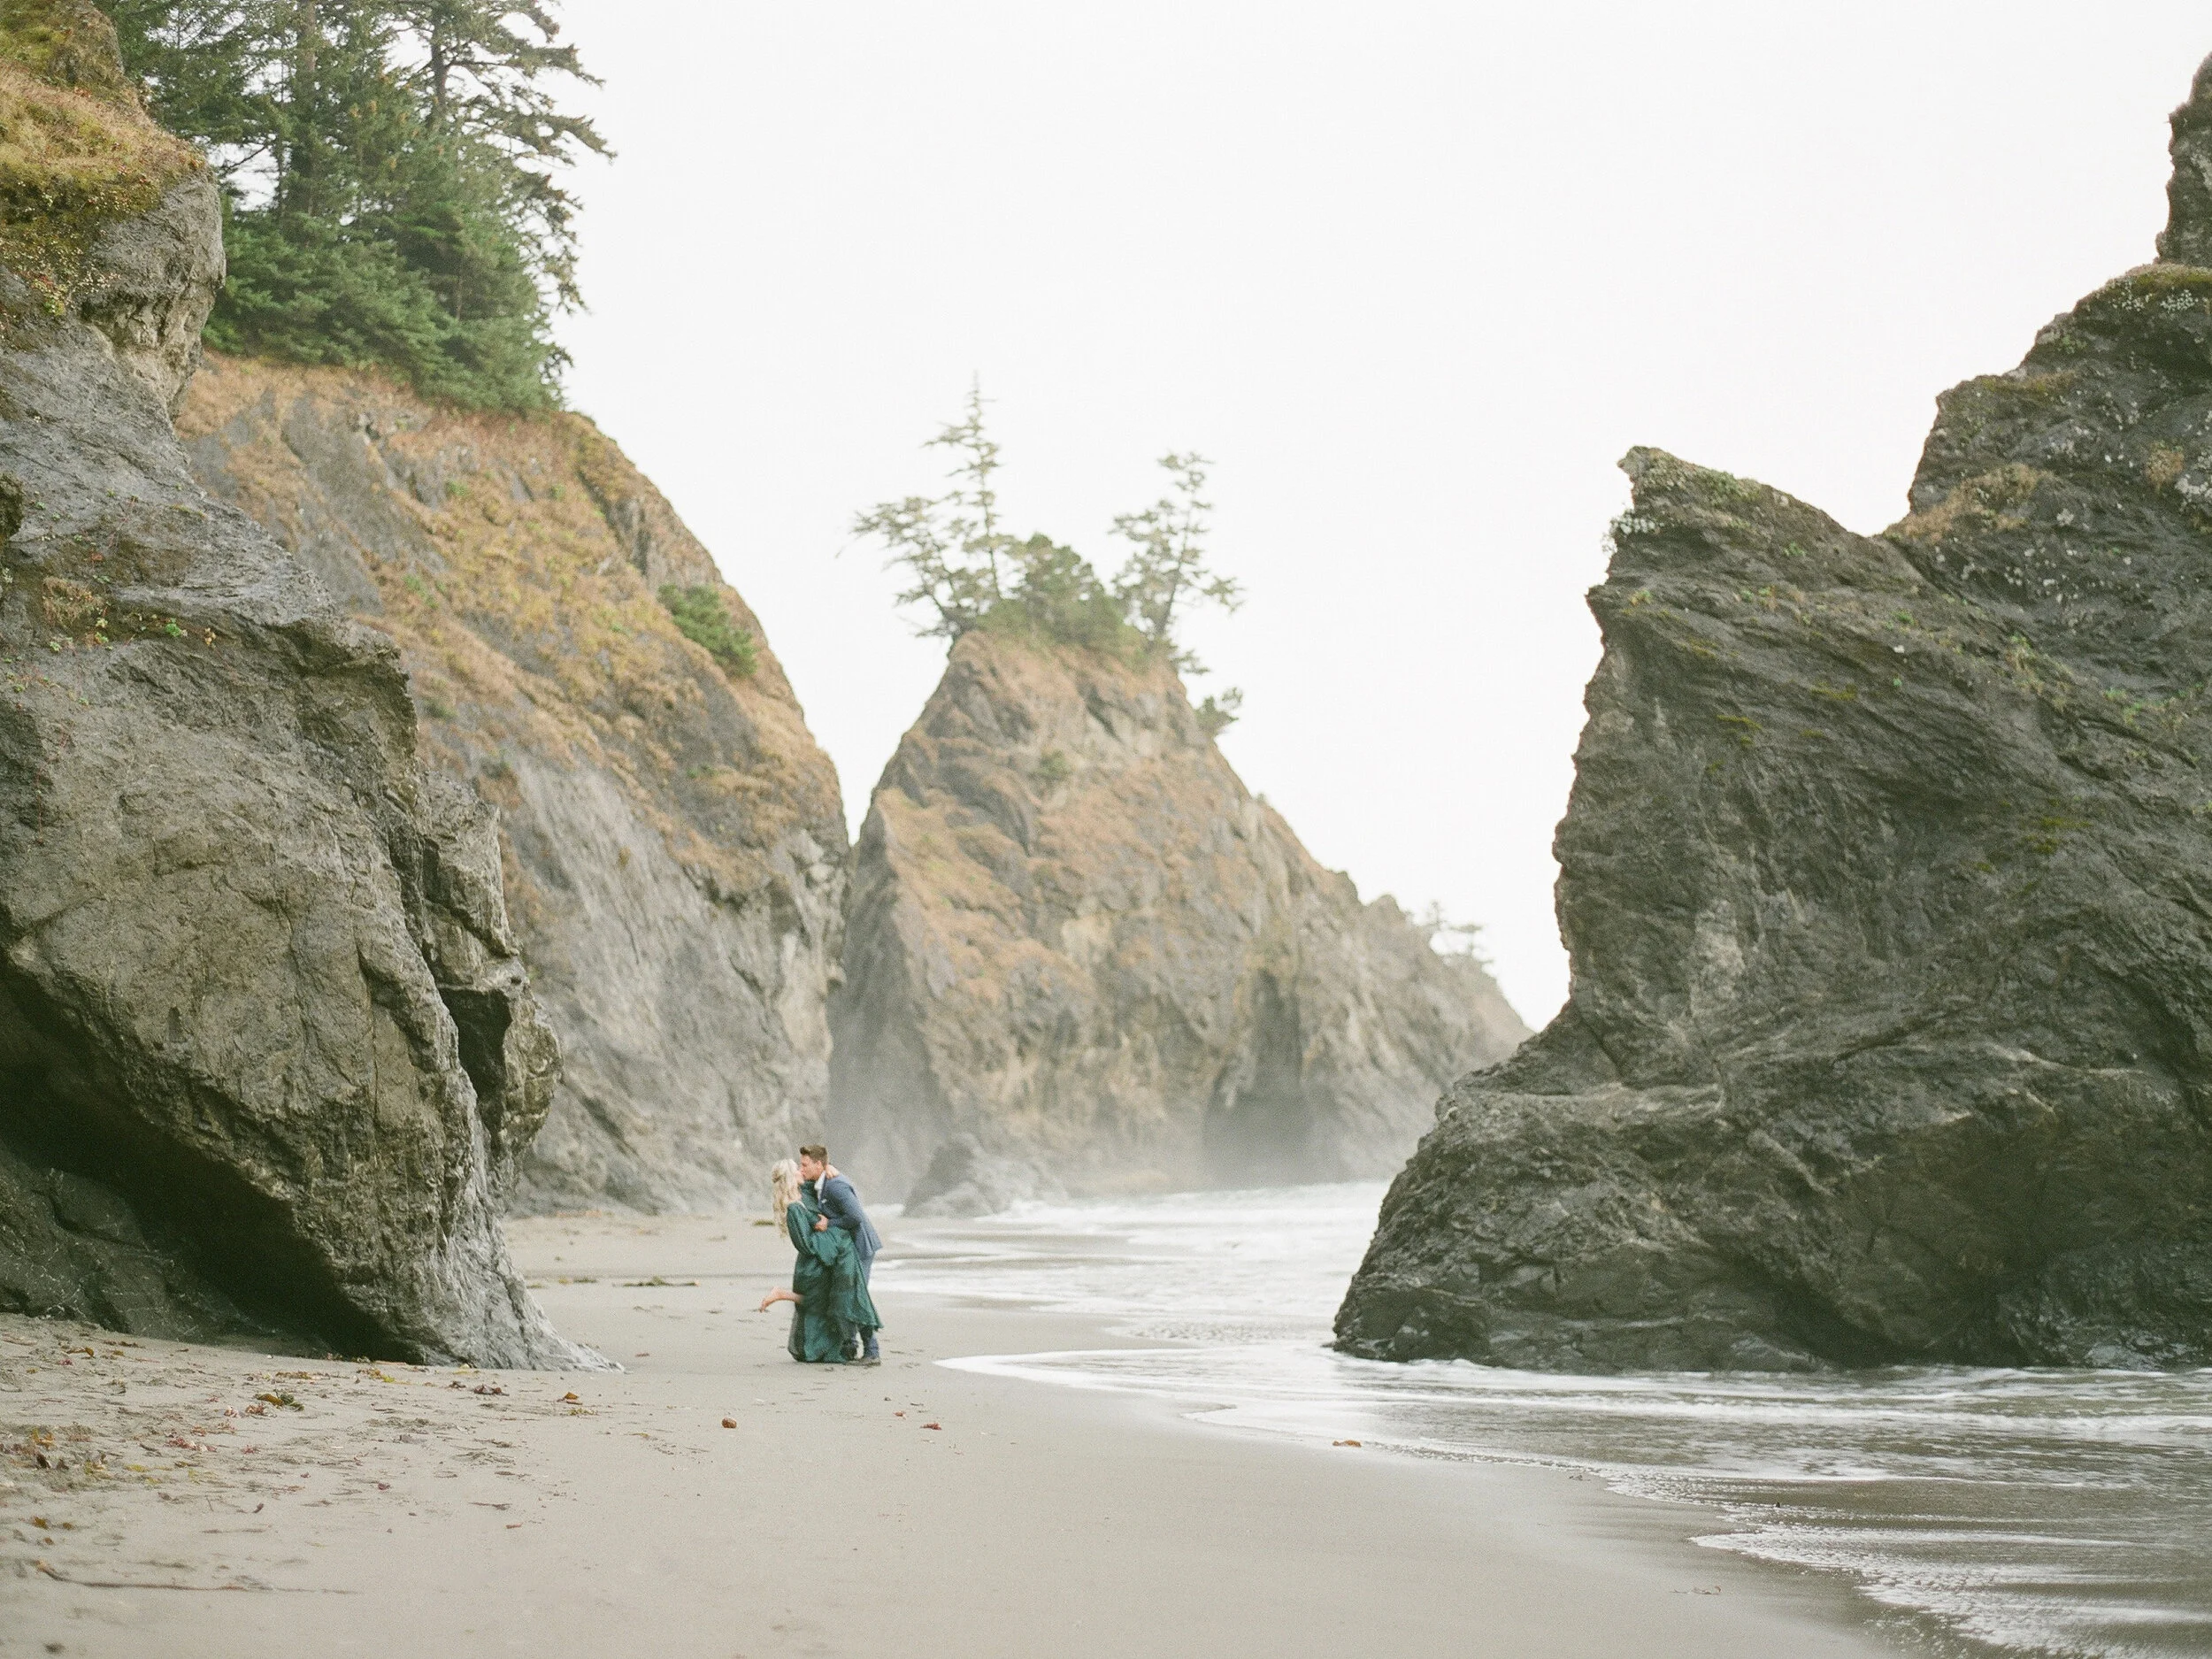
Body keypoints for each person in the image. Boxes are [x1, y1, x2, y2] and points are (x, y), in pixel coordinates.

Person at [756, 1158, 880, 1364]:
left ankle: (851, 1346)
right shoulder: (795, 1208)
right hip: (819, 1260)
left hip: (829, 1256)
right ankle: (861, 1347)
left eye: (803, 1166)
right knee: (832, 1300)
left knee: (835, 1300)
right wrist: (832, 1242)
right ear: (790, 1177)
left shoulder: (807, 1191)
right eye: (798, 1168)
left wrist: (830, 1169)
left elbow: (826, 1188)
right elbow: (805, 1244)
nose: (802, 1171)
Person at [799, 1143, 882, 1363]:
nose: (802, 1169)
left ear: (819, 1164)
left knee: (856, 1295)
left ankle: (872, 1351)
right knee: (842, 1294)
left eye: (805, 1165)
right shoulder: (820, 1182)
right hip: (845, 1249)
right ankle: (850, 1345)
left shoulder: (835, 1186)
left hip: (860, 1246)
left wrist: (829, 1223)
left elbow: (855, 1216)